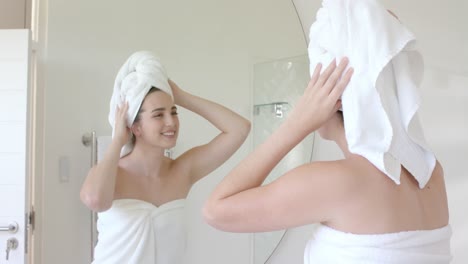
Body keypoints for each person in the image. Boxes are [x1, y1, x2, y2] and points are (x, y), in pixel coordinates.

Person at [203, 1, 452, 263]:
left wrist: (296, 124)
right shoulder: (432, 175)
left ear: (337, 98)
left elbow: (215, 210)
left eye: (314, 87)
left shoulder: (339, 182)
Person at [80, 51, 250, 264]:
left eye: (174, 112)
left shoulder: (182, 171)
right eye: (159, 114)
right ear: (135, 127)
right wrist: (117, 141)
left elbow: (239, 129)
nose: (171, 122)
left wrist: (181, 96)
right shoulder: (112, 173)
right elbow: (95, 200)